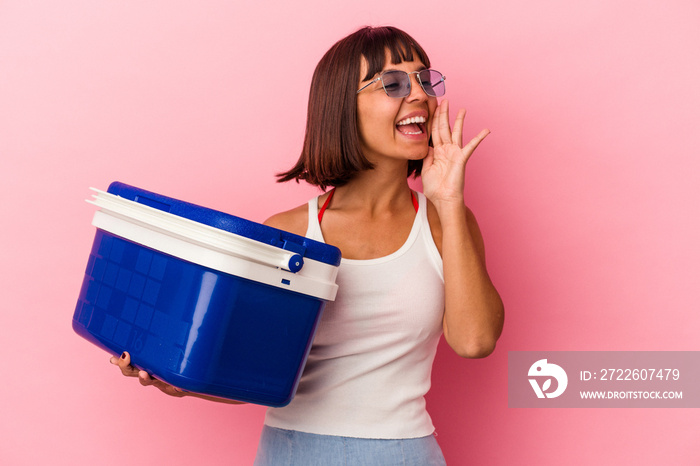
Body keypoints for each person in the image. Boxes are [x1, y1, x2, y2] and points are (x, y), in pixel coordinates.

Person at [112, 25, 504, 465]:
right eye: (392, 83)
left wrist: (449, 200)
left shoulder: (445, 221)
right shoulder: (288, 233)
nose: (418, 95)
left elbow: (475, 341)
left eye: (423, 79)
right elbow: (255, 373)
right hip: (295, 452)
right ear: (341, 109)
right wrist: (179, 381)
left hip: (406, 452)